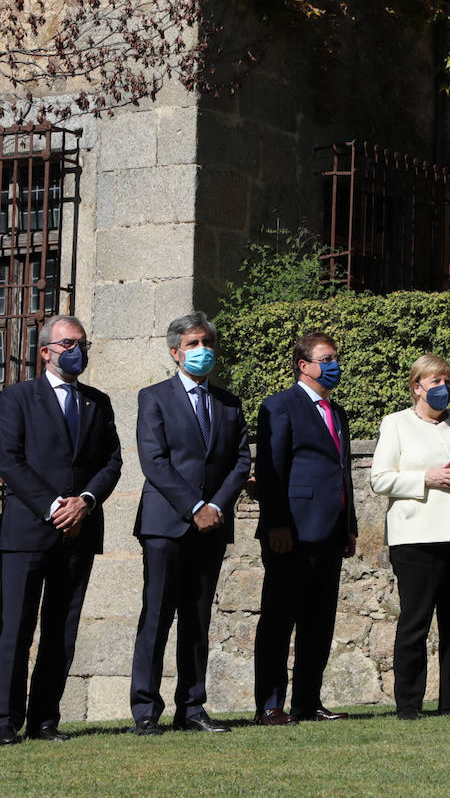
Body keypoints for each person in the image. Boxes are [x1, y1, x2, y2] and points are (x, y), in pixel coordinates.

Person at [0, 315, 123, 745]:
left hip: (78, 531)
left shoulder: (97, 402)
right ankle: (4, 722)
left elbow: (111, 462)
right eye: (68, 344)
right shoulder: (18, 397)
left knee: (61, 627)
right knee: (16, 626)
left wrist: (84, 502)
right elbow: (9, 461)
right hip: (28, 531)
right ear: (44, 351)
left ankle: (45, 718)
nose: (77, 350)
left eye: (82, 343)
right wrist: (52, 506)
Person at [129, 313, 251, 735]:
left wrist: (216, 506)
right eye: (194, 343)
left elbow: (240, 460)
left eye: (207, 342)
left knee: (198, 620)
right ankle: (145, 711)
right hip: (167, 525)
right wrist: (193, 505)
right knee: (157, 617)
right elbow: (154, 461)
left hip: (212, 526)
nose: (203, 350)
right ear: (176, 352)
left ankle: (192, 707)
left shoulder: (229, 402)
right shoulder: (154, 397)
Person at [370, 354, 450, 720]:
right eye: (435, 382)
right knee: (415, 621)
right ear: (417, 387)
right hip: (416, 537)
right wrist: (427, 478)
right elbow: (380, 479)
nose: (443, 389)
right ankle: (409, 704)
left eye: (447, 382)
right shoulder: (395, 425)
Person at [251, 331, 357, 725]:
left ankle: (308, 702)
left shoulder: (337, 411)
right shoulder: (280, 406)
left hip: (330, 533)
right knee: (279, 619)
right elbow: (271, 469)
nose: (334, 365)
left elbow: (341, 472)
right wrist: (277, 523)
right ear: (304, 365)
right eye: (326, 359)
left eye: (335, 358)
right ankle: (270, 705)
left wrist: (349, 525)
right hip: (291, 534)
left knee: (319, 621)